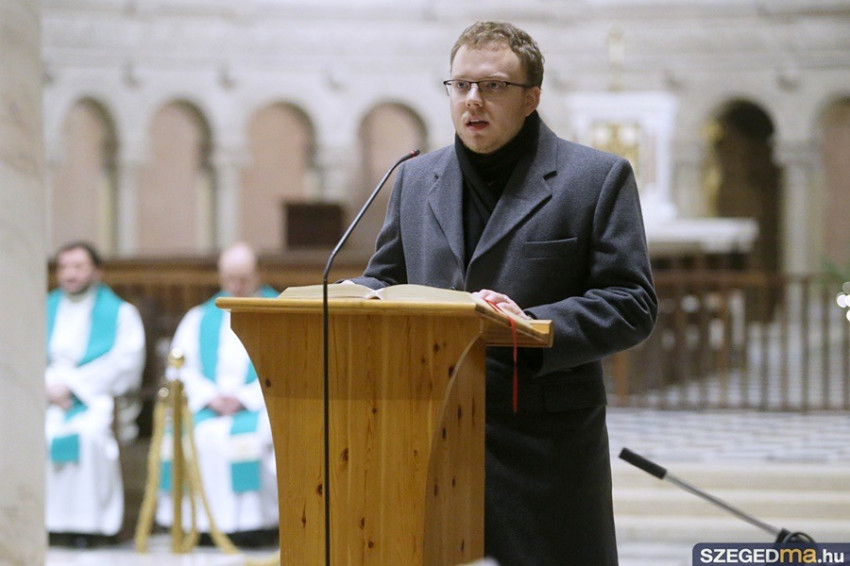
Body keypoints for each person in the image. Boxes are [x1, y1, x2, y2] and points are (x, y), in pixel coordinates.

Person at [350, 21, 657, 565]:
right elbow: (387, 276)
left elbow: (632, 301)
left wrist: (533, 323)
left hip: (541, 440)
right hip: (431, 428)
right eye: (461, 85)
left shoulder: (595, 178)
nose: (473, 100)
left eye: (493, 86)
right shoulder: (416, 178)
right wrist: (355, 295)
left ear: (531, 97)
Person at [156, 242, 278, 546]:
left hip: (260, 407)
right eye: (229, 279)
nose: (235, 287)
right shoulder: (199, 317)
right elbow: (179, 367)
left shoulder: (281, 313)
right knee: (195, 437)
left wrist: (244, 399)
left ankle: (254, 526)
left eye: (243, 279)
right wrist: (210, 396)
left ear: (259, 274)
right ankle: (199, 525)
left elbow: (288, 367)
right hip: (209, 407)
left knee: (252, 439)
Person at [45, 241, 146, 547]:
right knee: (38, 434)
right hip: (46, 398)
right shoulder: (41, 308)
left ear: (97, 271)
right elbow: (21, 354)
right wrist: (48, 386)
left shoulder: (121, 313)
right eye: (64, 267)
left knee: (89, 435)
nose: (70, 274)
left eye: (78, 267)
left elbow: (126, 362)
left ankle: (89, 527)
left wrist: (73, 386)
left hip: (95, 398)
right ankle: (45, 523)